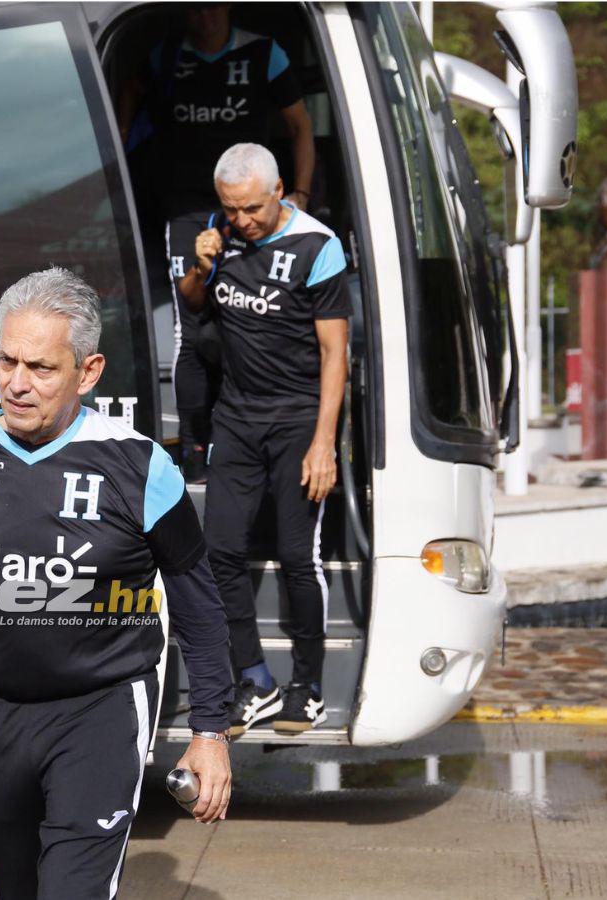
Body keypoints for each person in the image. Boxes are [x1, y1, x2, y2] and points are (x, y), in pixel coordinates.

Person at [0, 268, 234, 899]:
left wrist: (210, 732)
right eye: (7, 360)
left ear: (87, 373)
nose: (17, 384)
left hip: (100, 711)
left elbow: (199, 606)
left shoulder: (140, 465)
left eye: (40, 368)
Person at [178, 143, 348, 736]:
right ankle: (255, 680)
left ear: (279, 191)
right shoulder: (219, 234)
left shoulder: (318, 246)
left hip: (299, 419)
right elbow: (194, 305)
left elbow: (334, 353)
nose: (242, 220)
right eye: (232, 208)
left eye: (252, 208)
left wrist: (324, 442)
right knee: (219, 551)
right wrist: (199, 267)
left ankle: (309, 685)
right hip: (236, 417)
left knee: (299, 557)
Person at [116, 3, 316, 483]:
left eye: (210, 7)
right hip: (186, 206)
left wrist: (301, 195)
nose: (201, 16)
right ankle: (193, 448)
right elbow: (131, 91)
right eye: (192, 9)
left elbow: (301, 127)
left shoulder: (263, 53)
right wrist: (118, 146)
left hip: (250, 211)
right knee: (191, 331)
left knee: (254, 319)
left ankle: (256, 441)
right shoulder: (166, 55)